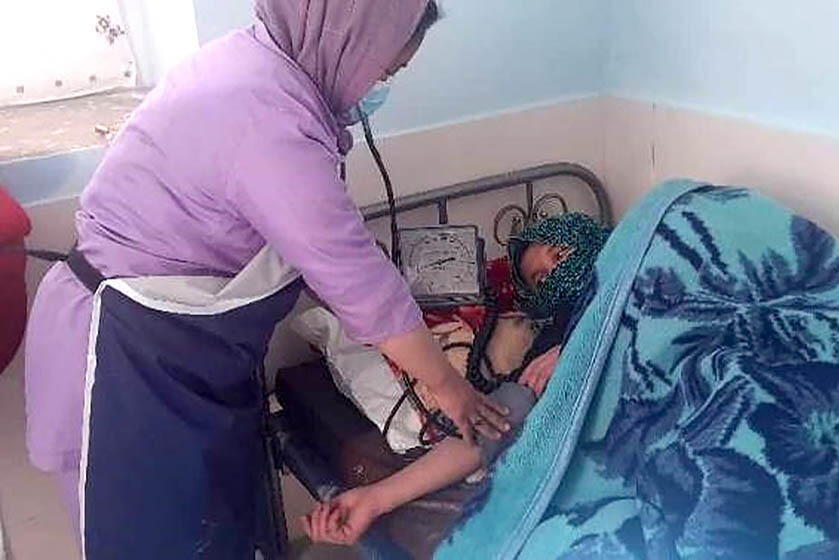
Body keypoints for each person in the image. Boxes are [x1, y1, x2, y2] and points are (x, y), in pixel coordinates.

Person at [22, 1, 509, 557]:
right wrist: (452, 390)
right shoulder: (264, 114)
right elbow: (357, 279)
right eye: (386, 69)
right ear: (348, 37)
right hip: (117, 361)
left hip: (168, 356)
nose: (377, 89)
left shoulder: (261, 75)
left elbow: (323, 251)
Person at [302, 213, 610, 546]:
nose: (555, 273)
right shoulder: (552, 336)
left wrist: (583, 342)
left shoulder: (637, 247)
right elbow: (494, 422)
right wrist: (376, 498)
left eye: (557, 253)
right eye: (541, 279)